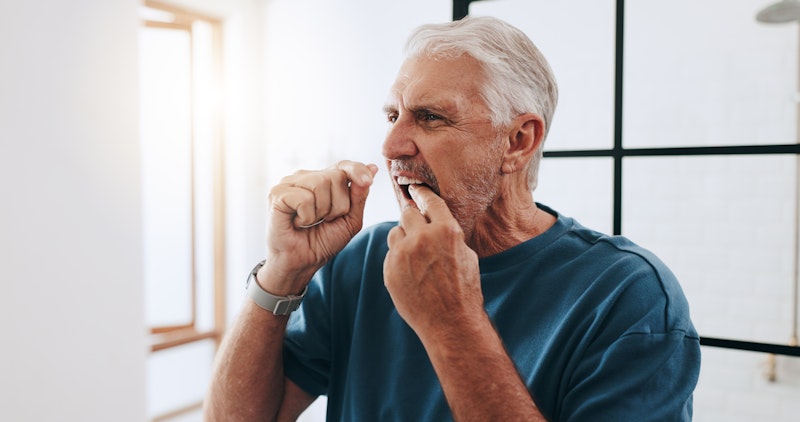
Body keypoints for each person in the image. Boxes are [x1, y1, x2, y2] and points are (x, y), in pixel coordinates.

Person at [206, 16, 701, 421]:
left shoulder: (630, 298)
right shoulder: (361, 262)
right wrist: (283, 271)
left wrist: (451, 321)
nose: (392, 147)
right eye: (391, 116)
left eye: (430, 118)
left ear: (517, 142)